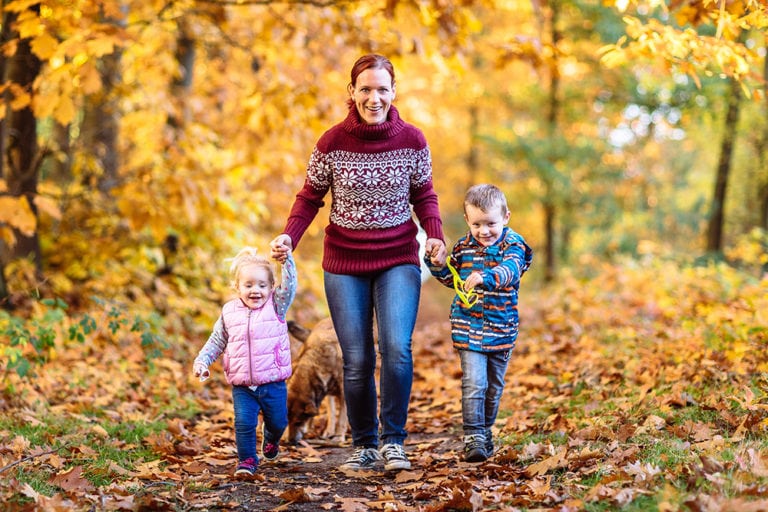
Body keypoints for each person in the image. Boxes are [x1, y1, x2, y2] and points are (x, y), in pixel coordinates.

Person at [270, 54, 447, 471]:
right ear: (352, 92)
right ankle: (365, 444)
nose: (374, 97)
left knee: (396, 350)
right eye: (365, 89)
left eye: (382, 89)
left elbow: (425, 194)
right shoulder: (332, 142)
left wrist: (435, 234)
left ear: (394, 91)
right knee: (357, 357)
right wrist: (288, 236)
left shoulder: (413, 140)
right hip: (344, 262)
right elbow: (309, 196)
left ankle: (393, 442)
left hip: (398, 258)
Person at [424, 184, 533, 463]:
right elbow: (452, 278)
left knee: (494, 387)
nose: (484, 231)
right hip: (468, 327)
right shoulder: (462, 248)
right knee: (475, 383)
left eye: (491, 223)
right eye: (477, 224)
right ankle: (473, 436)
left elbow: (510, 270)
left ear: (506, 217)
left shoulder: (514, 245)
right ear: (467, 221)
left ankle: (485, 429)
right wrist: (436, 263)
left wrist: (487, 276)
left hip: (501, 329)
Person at [193, 246, 297, 477]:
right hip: (243, 385)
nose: (255, 290)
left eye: (262, 285)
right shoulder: (229, 312)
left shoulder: (276, 306)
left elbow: (290, 286)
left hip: (272, 381)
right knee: (243, 423)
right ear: (237, 287)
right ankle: (247, 461)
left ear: (271, 288)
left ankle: (271, 437)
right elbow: (217, 340)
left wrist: (286, 261)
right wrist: (202, 360)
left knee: (279, 422)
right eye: (248, 285)